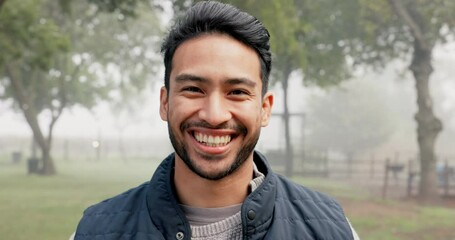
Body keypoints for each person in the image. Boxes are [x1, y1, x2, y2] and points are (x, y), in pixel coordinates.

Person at [73, 1, 360, 239]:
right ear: (165, 102)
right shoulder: (96, 231)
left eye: (236, 92)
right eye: (194, 89)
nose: (214, 115)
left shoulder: (331, 229)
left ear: (264, 108)